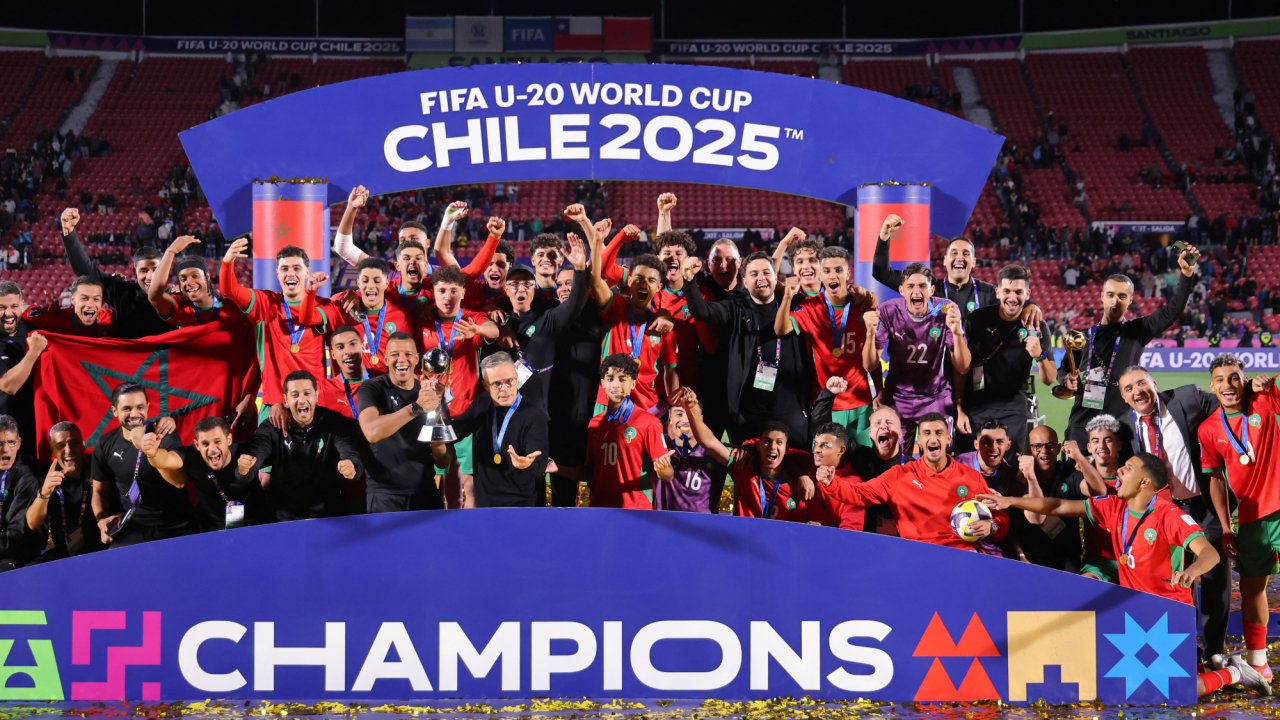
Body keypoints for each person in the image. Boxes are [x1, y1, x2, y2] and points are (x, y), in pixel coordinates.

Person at [979, 452, 1271, 699]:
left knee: (1178, 690)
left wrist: (1191, 571)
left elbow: (1210, 553)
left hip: (1168, 616)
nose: (1120, 470)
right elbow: (1057, 506)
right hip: (1134, 614)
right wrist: (1011, 501)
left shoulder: (1168, 515)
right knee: (1124, 685)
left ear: (1145, 482)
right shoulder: (1113, 507)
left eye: (1128, 468)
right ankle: (1202, 668)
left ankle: (1233, 672)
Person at [1116, 365, 1230, 668]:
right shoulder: (1124, 426)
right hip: (1164, 511)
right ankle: (1185, 648)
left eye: (1141, 383)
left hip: (1204, 505)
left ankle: (1214, 650)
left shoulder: (1188, 398)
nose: (1137, 392)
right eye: (1129, 389)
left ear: (1154, 383)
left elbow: (1230, 403)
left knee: (1215, 575)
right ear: (1124, 397)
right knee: (1176, 581)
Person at [1062, 245, 1199, 444]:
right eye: (1110, 295)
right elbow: (1065, 369)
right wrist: (1066, 380)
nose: (1115, 301)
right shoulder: (1082, 337)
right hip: (1081, 428)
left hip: (1122, 429)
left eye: (1122, 296)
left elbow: (1172, 311)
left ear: (1130, 300)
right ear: (1102, 296)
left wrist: (1186, 275)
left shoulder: (1138, 330)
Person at [1199, 354, 1279, 681]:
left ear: (1244, 380)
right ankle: (1259, 663)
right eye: (1220, 379)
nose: (1228, 385)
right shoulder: (1208, 429)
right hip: (1251, 517)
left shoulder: (1264, 400)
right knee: (1252, 589)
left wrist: (1269, 383)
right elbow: (1216, 479)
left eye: (1234, 377)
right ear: (1212, 385)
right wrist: (1226, 527)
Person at [819, 413, 1009, 550]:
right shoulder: (899, 475)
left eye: (938, 433)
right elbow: (859, 494)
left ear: (948, 438)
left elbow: (1001, 519)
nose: (932, 438)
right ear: (919, 441)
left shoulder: (971, 478)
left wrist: (991, 526)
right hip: (916, 555)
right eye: (926, 433)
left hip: (961, 555)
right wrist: (830, 483)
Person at [684, 252, 810, 445]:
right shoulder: (735, 307)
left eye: (766, 272)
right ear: (745, 281)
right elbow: (703, 312)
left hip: (790, 407)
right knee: (749, 463)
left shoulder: (793, 304)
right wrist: (689, 282)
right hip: (749, 412)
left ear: (776, 277)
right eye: (754, 274)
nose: (761, 278)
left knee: (796, 460)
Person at [219, 239, 335, 421]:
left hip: (315, 402)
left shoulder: (324, 306)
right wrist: (227, 261)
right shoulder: (265, 302)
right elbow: (230, 289)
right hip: (275, 405)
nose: (290, 274)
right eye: (284, 269)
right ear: (277, 274)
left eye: (297, 268)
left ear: (306, 272)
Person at [577, 207, 678, 412]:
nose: (643, 284)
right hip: (607, 403)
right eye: (638, 278)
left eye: (651, 280)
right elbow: (595, 279)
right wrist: (613, 239)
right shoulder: (615, 306)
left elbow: (671, 370)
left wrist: (674, 407)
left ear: (659, 287)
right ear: (629, 281)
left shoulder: (663, 326)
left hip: (645, 407)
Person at [415, 265, 500, 508]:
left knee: (470, 484)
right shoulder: (423, 322)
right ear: (433, 292)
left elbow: (494, 331)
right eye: (442, 291)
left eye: (453, 290)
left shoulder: (471, 319)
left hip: (467, 412)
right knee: (442, 480)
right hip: (434, 412)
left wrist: (477, 330)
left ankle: (472, 528)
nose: (448, 297)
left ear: (463, 292)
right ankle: (444, 527)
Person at [777, 246, 877, 446]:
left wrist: (879, 393)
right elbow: (781, 329)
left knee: (865, 461)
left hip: (861, 401)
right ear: (821, 275)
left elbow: (873, 358)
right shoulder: (810, 307)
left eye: (838, 270)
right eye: (827, 271)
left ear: (848, 273)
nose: (833, 275)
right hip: (828, 402)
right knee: (827, 461)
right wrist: (787, 297)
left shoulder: (863, 305)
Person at [237, 371, 362, 521]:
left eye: (307, 394)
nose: (302, 400)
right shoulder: (272, 427)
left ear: (316, 395)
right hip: (284, 519)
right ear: (286, 399)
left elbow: (350, 454)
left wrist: (352, 466)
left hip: (328, 516)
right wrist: (244, 469)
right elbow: (256, 453)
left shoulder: (333, 422)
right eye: (295, 395)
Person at [864, 263, 970, 439]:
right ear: (901, 290)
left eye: (922, 286)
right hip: (898, 397)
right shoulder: (888, 311)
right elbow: (870, 364)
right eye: (910, 286)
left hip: (935, 398)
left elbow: (963, 367)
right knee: (893, 452)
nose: (916, 292)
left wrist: (957, 332)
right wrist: (869, 334)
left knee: (936, 451)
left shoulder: (947, 310)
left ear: (932, 290)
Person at [957, 264, 1055, 452]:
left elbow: (1049, 379)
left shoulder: (1036, 326)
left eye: (1018, 292)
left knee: (1011, 466)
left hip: (1013, 410)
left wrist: (1039, 355)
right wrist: (959, 409)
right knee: (971, 464)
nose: (1012, 297)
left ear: (1027, 294)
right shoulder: (977, 320)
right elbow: (960, 369)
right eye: (1007, 291)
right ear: (998, 292)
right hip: (976, 407)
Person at [496, 233, 589, 409]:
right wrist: (500, 324)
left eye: (527, 285)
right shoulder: (503, 312)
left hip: (553, 388)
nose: (521, 289)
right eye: (515, 285)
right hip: (511, 398)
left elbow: (576, 302)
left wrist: (580, 270)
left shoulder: (553, 311)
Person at [90, 383, 189, 547]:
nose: (134, 414)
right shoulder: (105, 444)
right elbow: (99, 491)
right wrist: (101, 520)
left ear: (148, 407)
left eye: (140, 407)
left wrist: (151, 452)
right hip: (132, 527)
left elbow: (179, 482)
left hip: (174, 525)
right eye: (127, 409)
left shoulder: (164, 433)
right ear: (115, 411)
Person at [448, 352, 551, 507]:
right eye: (497, 384)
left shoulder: (534, 415)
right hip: (484, 503)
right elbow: (455, 431)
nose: (504, 389)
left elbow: (539, 463)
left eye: (509, 381)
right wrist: (439, 406)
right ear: (485, 385)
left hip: (520, 504)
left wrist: (527, 464)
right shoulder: (481, 404)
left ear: (517, 378)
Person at [356, 332, 444, 512]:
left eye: (408, 354)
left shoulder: (430, 392)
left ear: (417, 359)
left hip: (425, 492)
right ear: (386, 359)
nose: (401, 359)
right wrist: (416, 408)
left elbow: (443, 461)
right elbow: (371, 432)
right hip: (385, 496)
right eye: (395, 354)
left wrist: (438, 444)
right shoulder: (372, 388)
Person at [137, 416, 269, 531]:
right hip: (213, 531)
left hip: (258, 524)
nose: (212, 449)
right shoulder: (192, 455)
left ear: (229, 439)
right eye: (205, 444)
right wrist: (152, 453)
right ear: (197, 445)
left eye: (217, 442)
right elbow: (166, 459)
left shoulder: (247, 452)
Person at [59, 207, 171, 338]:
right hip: (126, 351)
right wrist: (69, 233)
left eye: (156, 270)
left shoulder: (176, 297)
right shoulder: (122, 292)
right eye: (143, 270)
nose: (150, 276)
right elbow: (86, 271)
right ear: (135, 272)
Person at [586, 354, 673, 509]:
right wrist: (556, 468)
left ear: (633, 383)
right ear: (602, 383)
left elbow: (668, 475)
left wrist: (663, 469)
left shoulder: (649, 422)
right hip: (600, 508)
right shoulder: (594, 424)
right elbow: (590, 472)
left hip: (636, 511)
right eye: (610, 379)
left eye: (622, 379)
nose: (615, 385)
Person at [872, 214, 995, 321]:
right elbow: (882, 274)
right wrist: (884, 237)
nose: (959, 258)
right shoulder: (927, 287)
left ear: (973, 262)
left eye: (966, 254)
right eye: (954, 253)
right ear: (945, 260)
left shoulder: (989, 293)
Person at [23, 422, 103, 563]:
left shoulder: (97, 467)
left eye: (74, 443)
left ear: (83, 445)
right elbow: (32, 523)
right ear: (52, 450)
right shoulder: (46, 477)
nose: (68, 450)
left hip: (99, 548)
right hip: (63, 554)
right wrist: (45, 492)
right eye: (61, 446)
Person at [1012, 425, 1084, 572]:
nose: (1044, 451)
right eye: (1037, 446)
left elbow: (1098, 490)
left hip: (1067, 558)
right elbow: (1035, 518)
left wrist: (1081, 460)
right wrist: (1020, 555)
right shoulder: (1019, 477)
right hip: (1031, 559)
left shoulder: (1068, 471)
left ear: (1058, 448)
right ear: (1029, 450)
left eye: (1050, 445)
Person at [659, 388, 730, 513]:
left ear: (700, 419)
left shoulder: (714, 453)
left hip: (702, 524)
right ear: (670, 420)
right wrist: (667, 402)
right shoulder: (661, 445)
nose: (684, 420)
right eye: (679, 414)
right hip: (663, 522)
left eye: (689, 414)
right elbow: (643, 421)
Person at [334, 258, 412, 372]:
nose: (370, 286)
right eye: (365, 281)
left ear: (386, 283)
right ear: (358, 283)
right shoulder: (345, 309)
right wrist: (347, 293)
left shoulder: (401, 316)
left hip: (387, 382)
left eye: (377, 281)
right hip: (353, 382)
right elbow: (324, 307)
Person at [0, 281, 44, 463]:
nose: (8, 313)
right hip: (5, 435)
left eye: (14, 306)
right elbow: (8, 386)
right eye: (2, 308)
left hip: (36, 427)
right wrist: (34, 351)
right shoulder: (35, 342)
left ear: (22, 305)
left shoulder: (32, 328)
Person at [147, 235, 226, 326]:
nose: (189, 282)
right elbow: (154, 295)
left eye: (195, 276)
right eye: (183, 279)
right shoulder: (178, 306)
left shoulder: (226, 303)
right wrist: (170, 251)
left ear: (207, 276)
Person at [0, 415, 38, 571]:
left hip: (12, 557)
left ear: (19, 443)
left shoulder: (26, 480)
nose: (5, 449)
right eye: (0, 443)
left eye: (11, 442)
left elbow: (16, 537)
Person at [23, 276, 114, 336]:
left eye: (96, 299)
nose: (90, 305)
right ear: (73, 300)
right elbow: (25, 312)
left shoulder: (112, 319)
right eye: (84, 298)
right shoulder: (57, 318)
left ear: (102, 303)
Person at [324, 325, 371, 419]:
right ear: (333, 354)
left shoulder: (383, 380)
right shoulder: (324, 390)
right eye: (340, 347)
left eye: (353, 344)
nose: (348, 352)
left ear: (363, 347)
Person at [772, 228, 822, 297]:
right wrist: (784, 243)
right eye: (800, 262)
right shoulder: (788, 292)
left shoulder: (833, 289)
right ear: (794, 268)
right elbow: (769, 277)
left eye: (812, 260)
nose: (806, 266)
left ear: (821, 265)